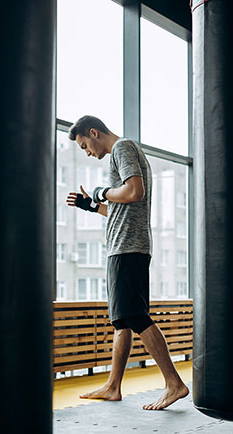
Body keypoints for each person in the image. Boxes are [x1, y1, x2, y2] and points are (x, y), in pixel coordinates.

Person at [65, 115, 190, 410]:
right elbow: (122, 209)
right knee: (121, 320)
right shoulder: (125, 151)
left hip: (128, 249)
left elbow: (135, 192)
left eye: (84, 145)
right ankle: (113, 386)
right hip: (124, 246)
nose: (87, 152)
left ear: (93, 132)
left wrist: (100, 191)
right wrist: (93, 206)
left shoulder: (122, 148)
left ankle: (174, 383)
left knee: (134, 316)